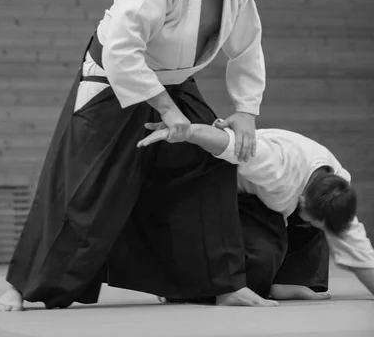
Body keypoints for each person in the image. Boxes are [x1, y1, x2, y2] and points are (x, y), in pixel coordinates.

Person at [0, 0, 273, 312]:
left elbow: (246, 45)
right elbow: (123, 49)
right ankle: (24, 287)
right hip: (115, 77)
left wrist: (245, 111)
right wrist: (165, 109)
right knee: (86, 182)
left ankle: (219, 284)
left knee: (210, 161)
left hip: (173, 79)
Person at [137, 122, 374, 301]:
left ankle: (287, 282)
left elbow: (359, 253)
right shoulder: (274, 166)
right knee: (263, 255)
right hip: (221, 193)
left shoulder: (336, 188)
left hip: (269, 198)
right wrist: (186, 131)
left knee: (315, 229)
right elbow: (228, 143)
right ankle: (190, 288)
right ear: (302, 199)